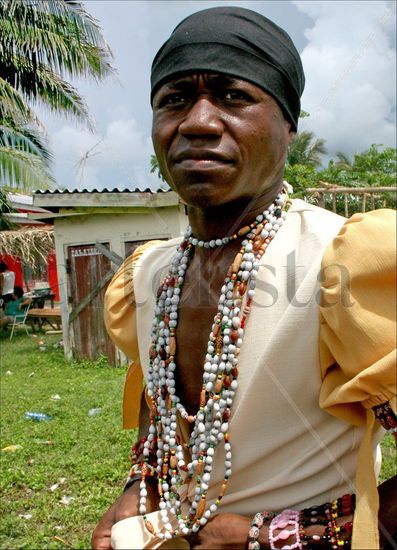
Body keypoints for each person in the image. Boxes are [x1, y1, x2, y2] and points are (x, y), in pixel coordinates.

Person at [92, 7, 396, 550]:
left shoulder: (343, 261)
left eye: (233, 97)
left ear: (287, 125)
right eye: (174, 99)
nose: (198, 122)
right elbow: (156, 395)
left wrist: (282, 533)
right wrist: (141, 485)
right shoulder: (149, 273)